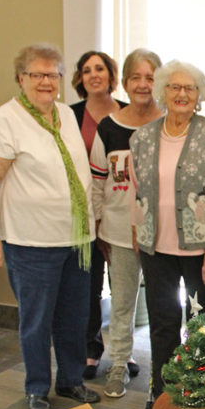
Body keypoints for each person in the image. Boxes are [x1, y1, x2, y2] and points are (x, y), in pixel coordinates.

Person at [0, 43, 100, 409]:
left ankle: (71, 380)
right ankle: (37, 387)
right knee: (37, 321)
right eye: (37, 74)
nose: (46, 81)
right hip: (30, 243)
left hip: (77, 240)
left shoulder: (66, 114)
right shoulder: (5, 121)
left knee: (74, 317)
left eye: (53, 74)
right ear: (21, 78)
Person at [130, 60, 205, 409]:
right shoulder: (142, 138)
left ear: (199, 95)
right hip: (155, 248)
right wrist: (137, 233)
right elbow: (136, 191)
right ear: (163, 91)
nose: (182, 94)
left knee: (203, 326)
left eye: (190, 88)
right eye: (174, 87)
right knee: (162, 323)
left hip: (201, 250)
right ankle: (162, 394)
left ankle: (204, 395)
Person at [90, 49, 163, 398]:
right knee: (122, 303)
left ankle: (166, 370)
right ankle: (119, 363)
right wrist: (98, 224)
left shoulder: (169, 124)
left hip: (162, 234)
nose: (143, 84)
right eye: (136, 77)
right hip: (118, 231)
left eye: (150, 78)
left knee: (164, 305)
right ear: (125, 82)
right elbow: (96, 182)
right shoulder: (109, 127)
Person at [70, 50, 127, 381]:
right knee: (89, 285)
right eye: (87, 70)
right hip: (82, 213)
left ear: (110, 75)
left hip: (120, 211)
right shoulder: (69, 115)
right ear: (80, 78)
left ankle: (123, 354)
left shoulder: (127, 113)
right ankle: (90, 349)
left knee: (122, 288)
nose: (94, 75)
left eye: (100, 69)